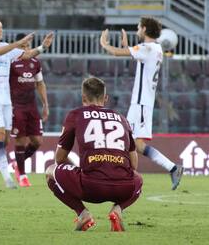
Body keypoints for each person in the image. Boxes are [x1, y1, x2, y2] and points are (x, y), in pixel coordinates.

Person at [46, 77, 142, 231]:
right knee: (138, 178)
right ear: (106, 98)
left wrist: (81, 169)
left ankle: (83, 214)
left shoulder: (75, 115)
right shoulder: (122, 119)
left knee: (51, 171)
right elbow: (134, 164)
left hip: (90, 187)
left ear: (83, 97)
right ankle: (118, 210)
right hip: (122, 188)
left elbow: (60, 158)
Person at [100, 16, 184, 190]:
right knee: (134, 144)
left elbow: (117, 53)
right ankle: (171, 168)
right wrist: (126, 45)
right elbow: (136, 55)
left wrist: (104, 44)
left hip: (140, 104)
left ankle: (124, 177)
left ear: (145, 29)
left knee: (128, 142)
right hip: (142, 103)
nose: (137, 30)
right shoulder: (155, 48)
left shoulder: (147, 48)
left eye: (139, 27)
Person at [0, 18, 54, 189]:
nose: (0, 30)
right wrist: (18, 43)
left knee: (5, 139)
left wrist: (42, 47)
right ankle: (7, 179)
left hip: (6, 100)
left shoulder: (7, 47)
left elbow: (26, 55)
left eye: (1, 27)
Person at [9, 33, 49, 187]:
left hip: (32, 106)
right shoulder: (11, 62)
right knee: (20, 139)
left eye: (27, 46)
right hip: (16, 106)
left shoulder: (35, 62)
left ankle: (16, 164)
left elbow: (40, 84)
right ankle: (23, 176)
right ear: (17, 47)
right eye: (22, 46)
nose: (25, 49)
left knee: (37, 141)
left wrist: (45, 104)